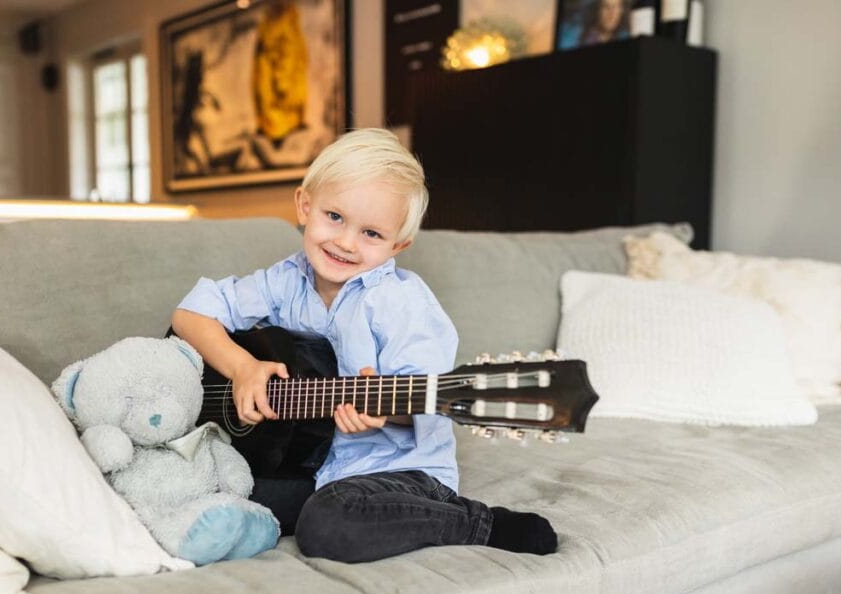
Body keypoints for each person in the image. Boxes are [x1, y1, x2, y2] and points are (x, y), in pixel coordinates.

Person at [171, 128, 557, 563]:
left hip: (397, 473)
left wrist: (383, 409)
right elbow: (189, 315)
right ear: (304, 205)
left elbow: (425, 402)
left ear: (399, 245)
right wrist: (241, 367)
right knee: (200, 485)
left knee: (329, 525)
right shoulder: (284, 281)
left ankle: (477, 523)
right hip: (311, 469)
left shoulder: (401, 302)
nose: (346, 242)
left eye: (371, 233)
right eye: (334, 216)